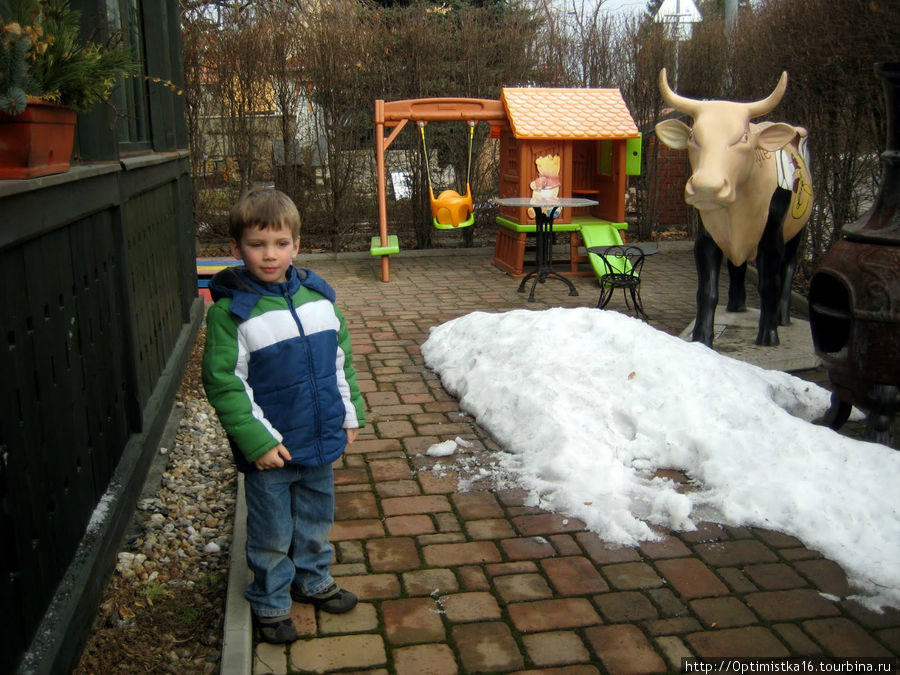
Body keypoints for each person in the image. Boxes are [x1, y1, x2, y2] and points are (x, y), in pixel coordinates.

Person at [202, 188, 365, 644]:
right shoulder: (232, 315)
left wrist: (349, 415)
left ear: (296, 244)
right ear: (237, 248)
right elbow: (225, 383)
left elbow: (341, 361)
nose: (269, 255)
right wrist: (257, 441)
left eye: (279, 244)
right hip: (271, 447)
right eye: (257, 244)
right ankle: (271, 599)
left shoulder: (319, 298)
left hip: (318, 438)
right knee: (272, 531)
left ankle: (312, 578)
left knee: (316, 516)